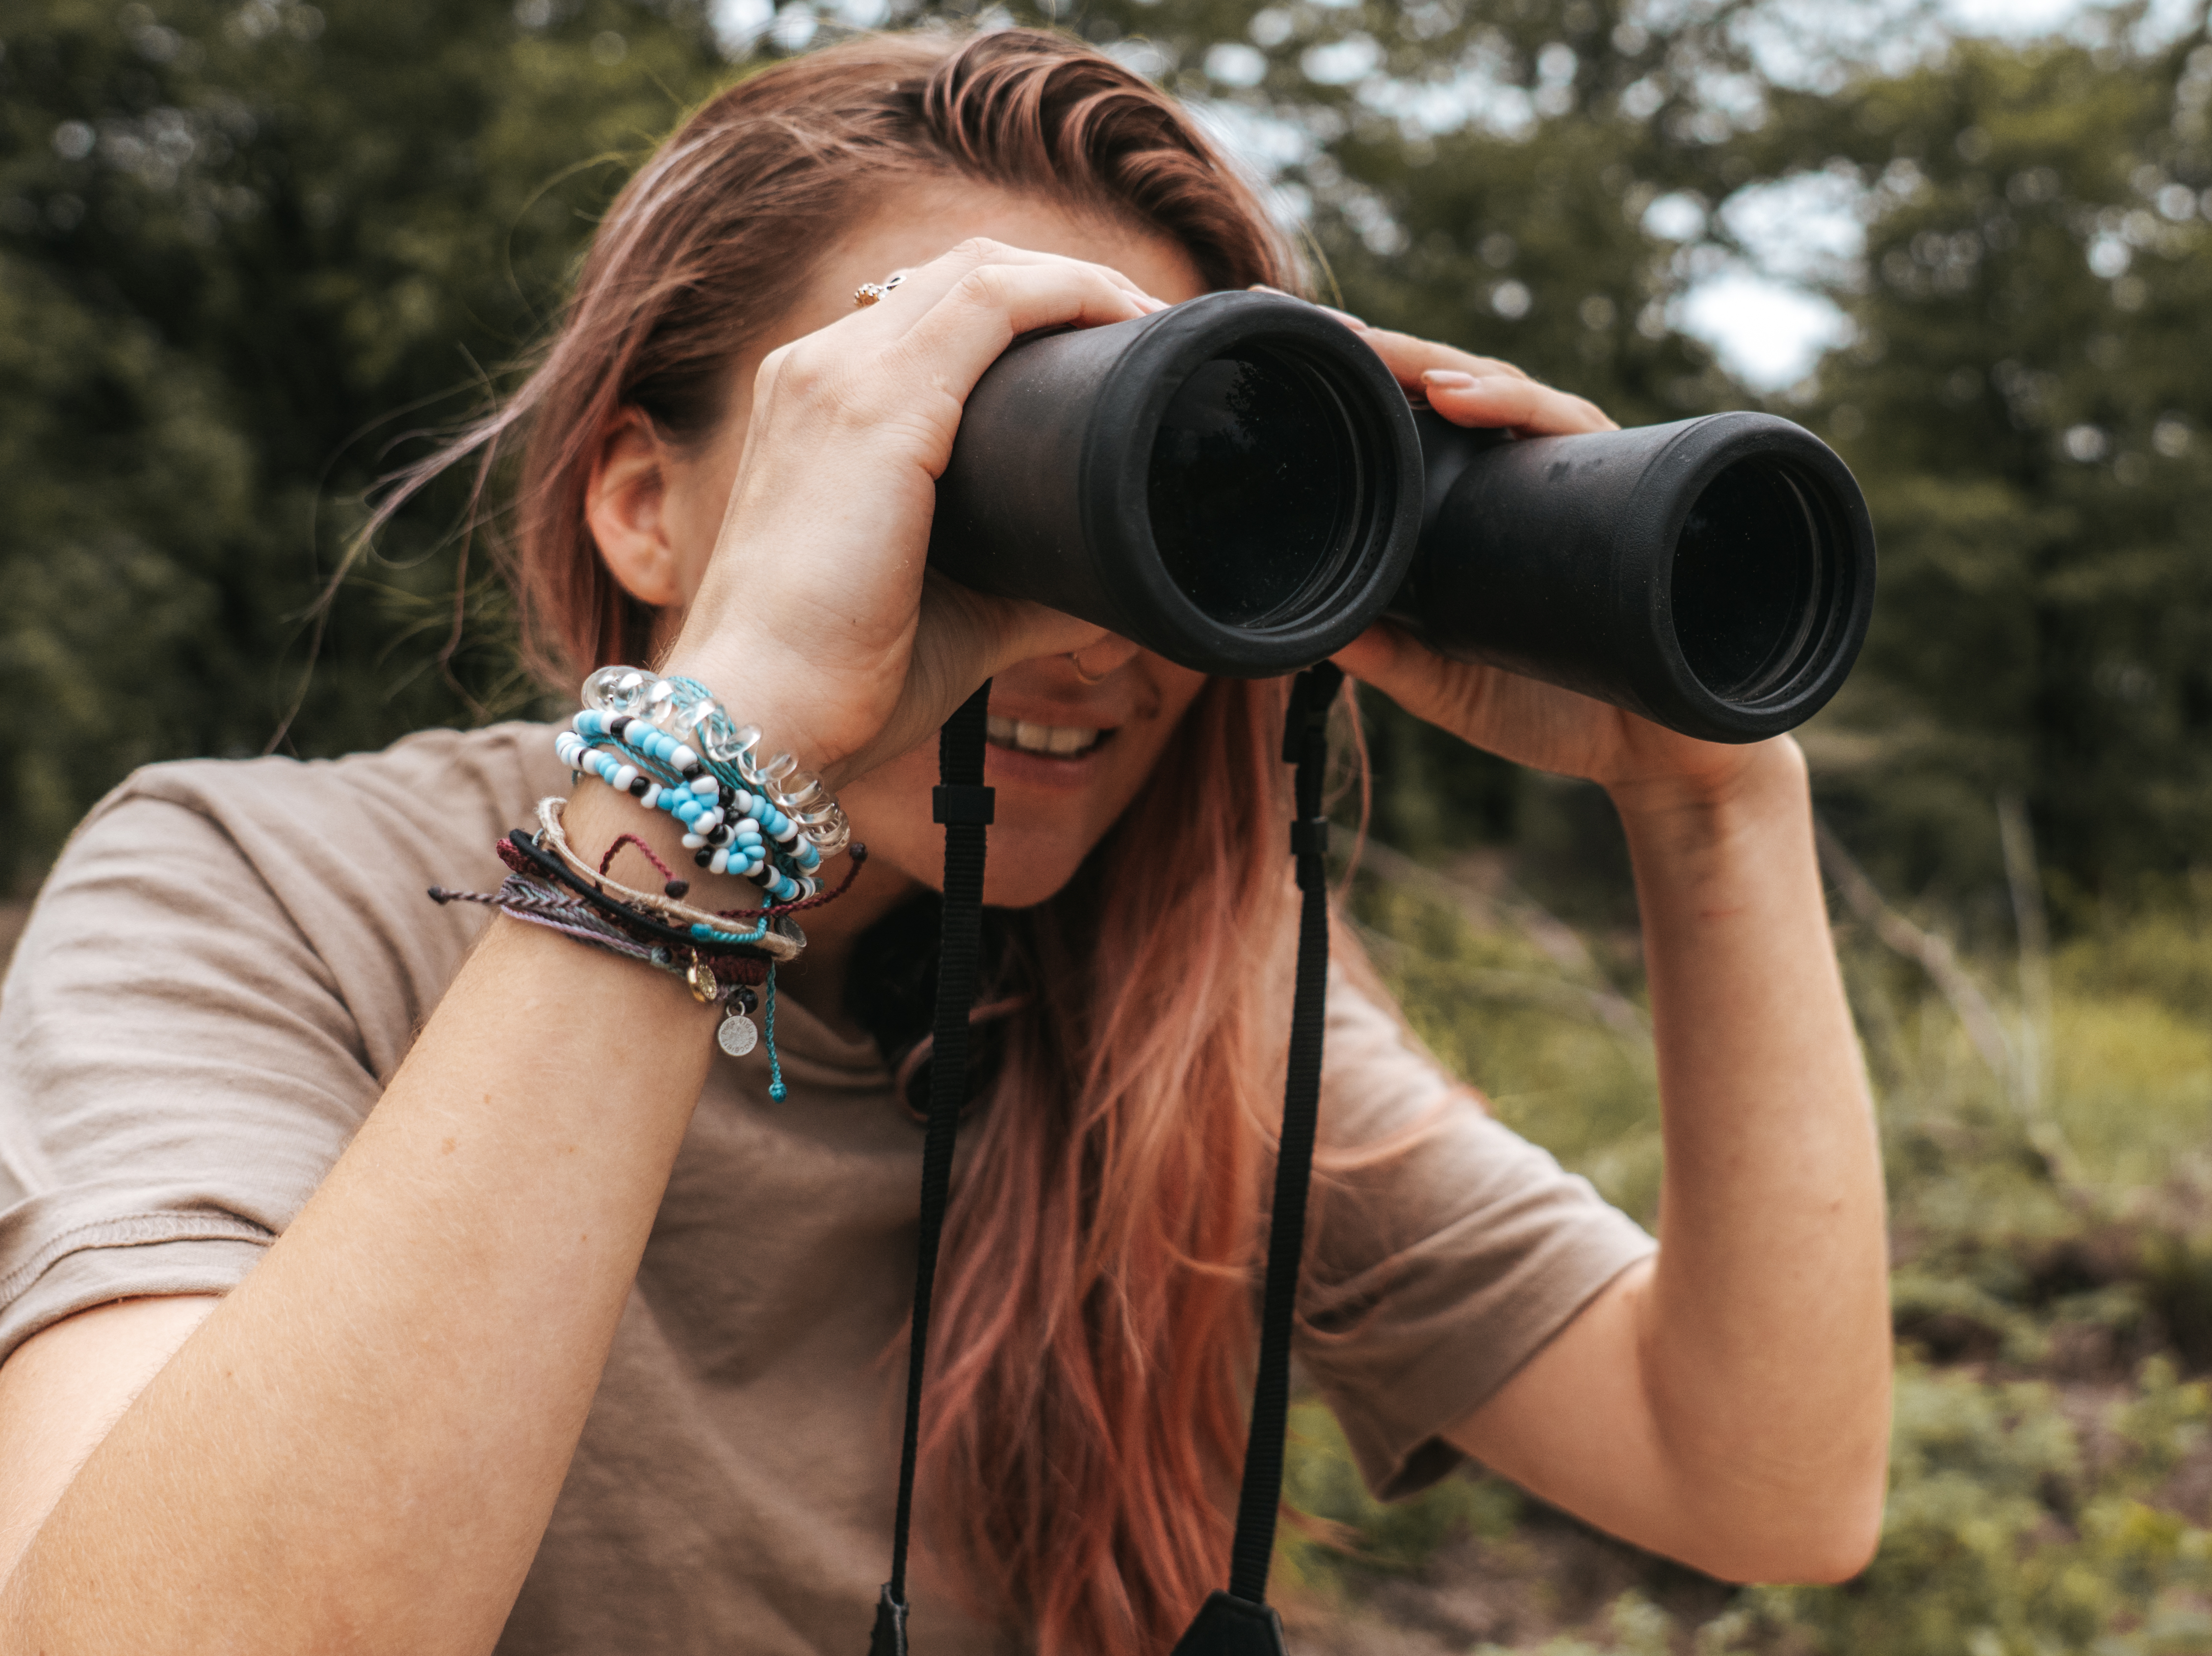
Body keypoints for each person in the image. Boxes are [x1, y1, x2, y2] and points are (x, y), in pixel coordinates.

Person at [0, 26, 1888, 1656]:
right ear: (647, 507)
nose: (1083, 626)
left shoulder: (1170, 1017)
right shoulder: (260, 898)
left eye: (1162, 486)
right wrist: (724, 770)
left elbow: (1764, 1480)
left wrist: (1711, 801)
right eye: (978, 470)